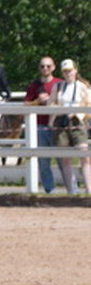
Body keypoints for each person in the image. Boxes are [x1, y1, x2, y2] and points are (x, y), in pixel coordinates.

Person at [51, 58, 91, 195]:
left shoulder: (82, 86)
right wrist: (61, 110)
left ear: (75, 71)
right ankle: (71, 190)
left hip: (77, 122)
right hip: (62, 123)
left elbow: (88, 105)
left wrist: (77, 113)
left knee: (84, 156)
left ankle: (89, 189)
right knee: (65, 158)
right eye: (65, 71)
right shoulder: (58, 87)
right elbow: (51, 104)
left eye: (70, 70)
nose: (68, 73)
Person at [24, 56, 61, 194]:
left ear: (53, 67)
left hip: (58, 126)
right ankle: (49, 189)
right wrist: (37, 101)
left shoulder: (60, 83)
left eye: (48, 66)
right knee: (43, 162)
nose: (45, 68)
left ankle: (72, 189)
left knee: (63, 160)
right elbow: (26, 104)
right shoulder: (34, 85)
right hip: (40, 127)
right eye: (42, 66)